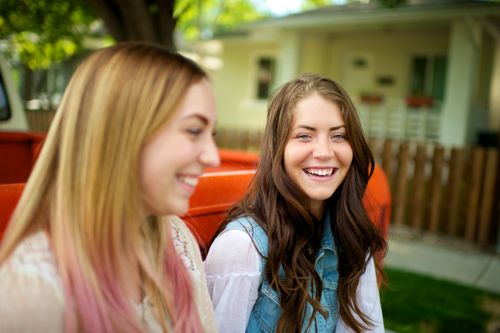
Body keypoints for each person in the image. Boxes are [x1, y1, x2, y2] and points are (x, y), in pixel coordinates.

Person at [0, 42, 220, 333]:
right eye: (194, 130)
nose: (213, 157)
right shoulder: (33, 286)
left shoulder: (176, 240)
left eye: (211, 134)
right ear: (121, 134)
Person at [204, 73, 387, 333]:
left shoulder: (352, 237)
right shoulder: (243, 248)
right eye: (304, 136)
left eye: (338, 136)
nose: (324, 152)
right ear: (278, 149)